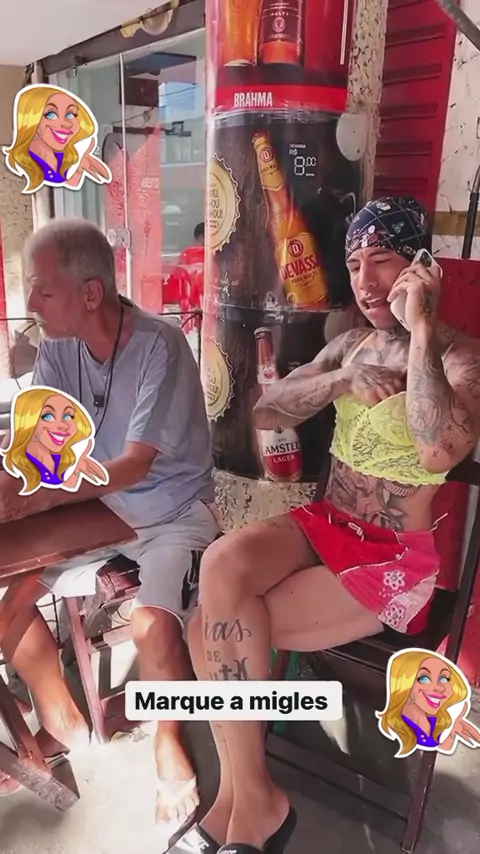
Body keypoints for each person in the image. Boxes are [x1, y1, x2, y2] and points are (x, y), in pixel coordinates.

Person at [176, 197, 480, 854]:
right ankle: (251, 797)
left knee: (210, 629)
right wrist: (342, 378)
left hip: (392, 559)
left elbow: (438, 450)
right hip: (325, 525)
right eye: (354, 263)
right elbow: (266, 411)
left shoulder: (461, 356)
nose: (365, 281)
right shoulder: (351, 344)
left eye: (382, 260)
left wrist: (420, 328)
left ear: (420, 264)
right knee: (223, 565)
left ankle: (239, 803)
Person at [0, 218, 219, 841]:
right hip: (100, 506)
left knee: (153, 624)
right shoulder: (58, 346)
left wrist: (39, 493)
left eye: (43, 290)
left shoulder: (159, 346)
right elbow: (45, 442)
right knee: (10, 599)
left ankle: (170, 744)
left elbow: (135, 465)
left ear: (91, 293)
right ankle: (63, 722)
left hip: (173, 508)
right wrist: (19, 478)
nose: (31, 303)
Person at [376, 648, 480, 757]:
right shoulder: (394, 729)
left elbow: (445, 747)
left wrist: (454, 725)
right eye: (424, 679)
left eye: (444, 679)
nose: (439, 688)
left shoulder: (440, 719)